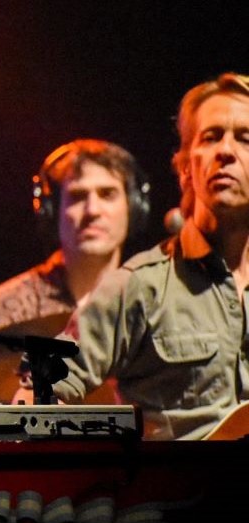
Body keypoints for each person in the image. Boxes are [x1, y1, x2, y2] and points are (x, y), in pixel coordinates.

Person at [35, 73, 249, 440]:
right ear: (185, 166)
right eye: (211, 137)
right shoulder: (137, 285)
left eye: (245, 138)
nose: (226, 151)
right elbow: (38, 394)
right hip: (181, 495)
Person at [0, 139, 150, 333]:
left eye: (107, 194)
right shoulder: (5, 308)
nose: (92, 210)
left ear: (133, 208)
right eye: (78, 196)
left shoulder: (150, 304)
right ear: (53, 211)